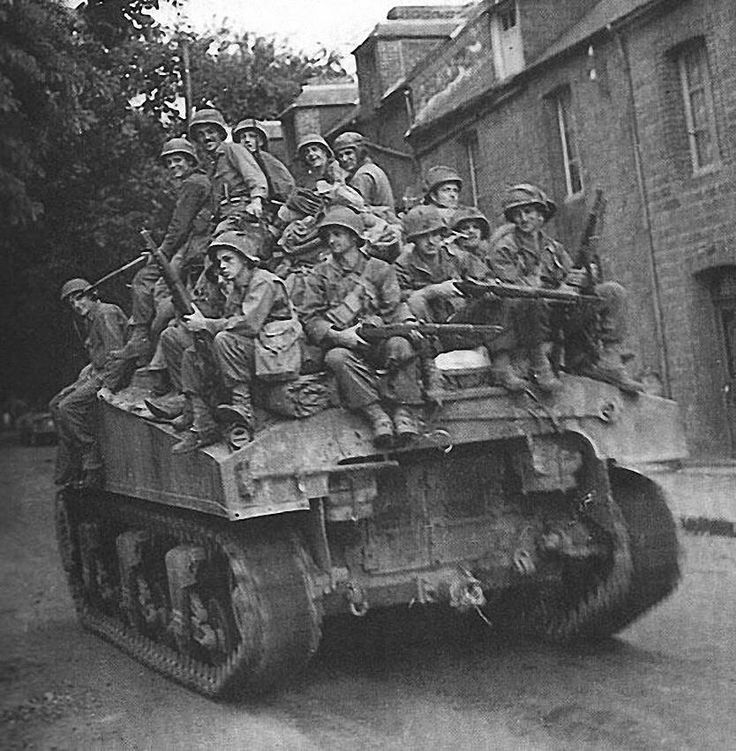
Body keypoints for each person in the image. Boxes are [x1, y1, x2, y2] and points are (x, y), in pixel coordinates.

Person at [488, 183, 641, 392]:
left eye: (528, 212)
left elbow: (571, 278)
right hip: (527, 322)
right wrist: (558, 291)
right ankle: (540, 366)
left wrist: (585, 278)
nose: (523, 219)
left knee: (613, 292)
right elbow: (517, 289)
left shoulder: (553, 247)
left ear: (540, 215)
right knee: (532, 300)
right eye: (517, 214)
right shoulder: (503, 248)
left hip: (559, 315)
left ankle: (610, 360)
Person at [300, 207, 423, 447]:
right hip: (347, 345)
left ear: (354, 237)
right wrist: (339, 336)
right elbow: (310, 318)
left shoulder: (379, 269)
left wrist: (401, 323)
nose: (332, 240)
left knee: (401, 345)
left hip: (380, 342)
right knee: (336, 358)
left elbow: (394, 307)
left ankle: (402, 411)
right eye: (328, 236)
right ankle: (375, 413)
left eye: (338, 234)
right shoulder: (320, 275)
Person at [172, 231, 298, 453]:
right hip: (256, 351)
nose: (221, 266)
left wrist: (207, 324)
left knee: (224, 339)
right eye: (219, 261)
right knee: (193, 354)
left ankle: (243, 408)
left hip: (275, 352)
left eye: (228, 259)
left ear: (246, 259)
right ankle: (202, 425)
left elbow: (249, 324)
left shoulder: (264, 282)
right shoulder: (236, 287)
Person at [113, 137, 212, 364]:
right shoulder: (197, 182)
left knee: (142, 280)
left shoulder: (193, 184)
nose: (173, 166)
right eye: (169, 162)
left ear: (190, 161)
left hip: (194, 246)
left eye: (178, 160)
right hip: (193, 243)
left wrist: (161, 254)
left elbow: (179, 226)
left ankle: (140, 340)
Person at [49, 278, 129, 488]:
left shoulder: (105, 314)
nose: (76, 305)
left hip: (114, 373)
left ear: (91, 295)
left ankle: (92, 460)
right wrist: (89, 372)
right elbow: (99, 354)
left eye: (79, 298)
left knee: (68, 407)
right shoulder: (90, 319)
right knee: (55, 405)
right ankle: (73, 463)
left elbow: (118, 356)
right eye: (72, 303)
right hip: (98, 371)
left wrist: (107, 386)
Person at [395, 204, 487, 327]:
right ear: (414, 239)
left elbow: (484, 279)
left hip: (460, 320)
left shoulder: (458, 257)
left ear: (441, 235)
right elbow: (399, 301)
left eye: (434, 235)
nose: (431, 242)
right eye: (423, 236)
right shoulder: (403, 265)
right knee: (415, 300)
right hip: (426, 325)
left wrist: (486, 293)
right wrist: (433, 291)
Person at [188, 108, 268, 235]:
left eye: (210, 132)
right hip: (223, 215)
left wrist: (256, 201)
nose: (207, 137)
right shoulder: (208, 164)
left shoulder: (233, 149)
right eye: (201, 134)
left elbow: (253, 175)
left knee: (220, 237)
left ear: (220, 134)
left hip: (242, 210)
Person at [232, 118, 296, 206]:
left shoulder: (268, 160)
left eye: (252, 136)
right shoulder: (235, 161)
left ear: (261, 141)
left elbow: (285, 187)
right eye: (243, 137)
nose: (247, 140)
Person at [332, 132, 395, 210]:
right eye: (340, 156)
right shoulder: (373, 168)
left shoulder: (362, 175)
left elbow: (357, 210)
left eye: (348, 153)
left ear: (360, 152)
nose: (344, 159)